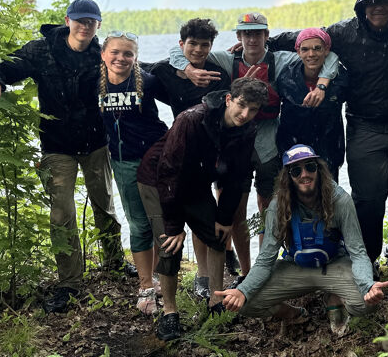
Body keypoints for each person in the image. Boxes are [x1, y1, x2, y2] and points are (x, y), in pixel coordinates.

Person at [269, 0, 388, 277]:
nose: (377, 7)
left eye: (383, 1)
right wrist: (261, 41)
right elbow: (305, 39)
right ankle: (367, 257)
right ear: (362, 7)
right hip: (364, 126)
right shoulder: (344, 32)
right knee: (367, 198)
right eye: (370, 2)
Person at [0, 0, 125, 314]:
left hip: (97, 142)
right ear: (68, 20)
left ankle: (114, 262)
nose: (85, 26)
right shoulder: (42, 50)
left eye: (91, 21)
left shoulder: (104, 55)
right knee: (61, 213)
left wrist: (185, 69)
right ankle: (70, 283)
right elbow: (4, 65)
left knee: (105, 202)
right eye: (80, 20)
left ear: (98, 24)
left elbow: (139, 70)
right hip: (56, 146)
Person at [169, 13, 337, 248]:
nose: (252, 39)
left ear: (266, 35)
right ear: (239, 35)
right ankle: (238, 263)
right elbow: (177, 52)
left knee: (267, 207)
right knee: (232, 205)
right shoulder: (228, 59)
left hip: (268, 141)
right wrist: (188, 69)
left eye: (257, 33)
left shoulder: (281, 60)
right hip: (233, 142)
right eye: (247, 33)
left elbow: (329, 57)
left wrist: (322, 84)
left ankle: (266, 259)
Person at [136, 77, 269, 341]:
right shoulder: (192, 119)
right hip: (158, 181)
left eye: (253, 109)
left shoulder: (247, 129)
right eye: (241, 105)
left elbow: (236, 176)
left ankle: (215, 302)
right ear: (229, 99)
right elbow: (169, 169)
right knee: (169, 247)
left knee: (218, 236)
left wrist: (224, 216)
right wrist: (174, 226)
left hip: (195, 183)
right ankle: (170, 313)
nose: (245, 114)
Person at [214, 144, 388, 335]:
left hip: (334, 265)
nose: (304, 174)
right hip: (295, 267)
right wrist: (243, 290)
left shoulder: (340, 200)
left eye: (310, 167)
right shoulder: (277, 206)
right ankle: (292, 313)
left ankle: (335, 298)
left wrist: (367, 285)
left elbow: (358, 252)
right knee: (246, 304)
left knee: (367, 305)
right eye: (296, 170)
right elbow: (265, 260)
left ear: (319, 169)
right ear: (288, 177)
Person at [145, 18, 241, 296]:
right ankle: (192, 276)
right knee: (187, 212)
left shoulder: (217, 75)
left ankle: (213, 269)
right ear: (181, 45)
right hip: (182, 152)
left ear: (211, 47)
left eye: (204, 45)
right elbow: (140, 69)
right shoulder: (167, 70)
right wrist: (185, 70)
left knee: (212, 213)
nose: (198, 50)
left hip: (213, 152)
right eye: (193, 44)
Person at [98, 30, 168, 315]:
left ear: (135, 58)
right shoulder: (92, 83)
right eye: (115, 52)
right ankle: (145, 286)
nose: (121, 58)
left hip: (155, 160)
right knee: (139, 224)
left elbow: (182, 99)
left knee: (161, 224)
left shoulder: (148, 82)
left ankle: (165, 280)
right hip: (123, 162)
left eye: (128, 53)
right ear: (103, 54)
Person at [275, 28, 348, 181]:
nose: (311, 54)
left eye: (317, 49)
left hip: (329, 149)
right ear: (298, 52)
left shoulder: (340, 77)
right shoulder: (285, 77)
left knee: (327, 199)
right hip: (292, 148)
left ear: (326, 50)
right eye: (305, 49)